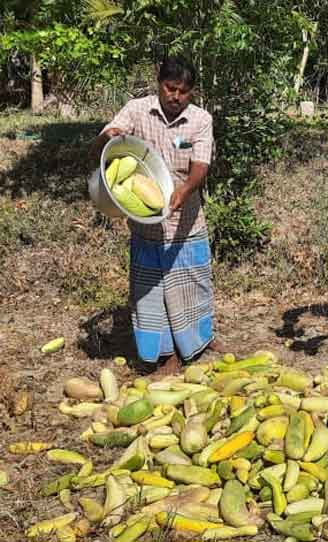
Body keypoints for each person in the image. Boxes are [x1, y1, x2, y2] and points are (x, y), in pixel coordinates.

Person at [89, 56, 222, 376]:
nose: (176, 96)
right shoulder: (137, 110)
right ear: (158, 82)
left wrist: (185, 189)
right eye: (170, 88)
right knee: (151, 290)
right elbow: (101, 146)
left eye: (183, 91)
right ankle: (165, 355)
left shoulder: (199, 120)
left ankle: (198, 341)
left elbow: (200, 163)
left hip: (185, 221)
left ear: (192, 93)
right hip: (146, 224)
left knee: (190, 287)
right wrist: (110, 136)